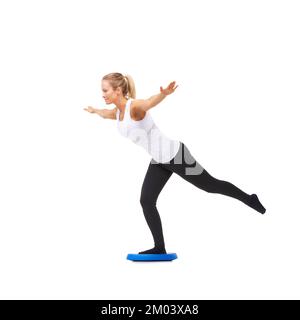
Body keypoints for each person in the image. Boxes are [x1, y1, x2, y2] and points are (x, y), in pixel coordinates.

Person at [84, 72, 266, 255]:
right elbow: (105, 114)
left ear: (118, 90)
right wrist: (94, 111)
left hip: (175, 155)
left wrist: (163, 94)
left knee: (211, 186)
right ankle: (159, 248)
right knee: (146, 201)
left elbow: (149, 102)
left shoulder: (135, 107)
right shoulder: (117, 112)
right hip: (159, 160)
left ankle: (250, 199)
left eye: (105, 90)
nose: (103, 94)